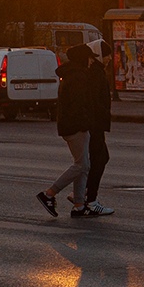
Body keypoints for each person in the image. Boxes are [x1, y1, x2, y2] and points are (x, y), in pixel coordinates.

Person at [37, 42, 99, 218]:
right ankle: (49, 193)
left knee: (83, 166)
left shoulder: (71, 75)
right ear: (82, 59)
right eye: (89, 58)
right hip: (76, 126)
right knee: (81, 165)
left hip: (71, 125)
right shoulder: (79, 77)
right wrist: (86, 123)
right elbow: (80, 105)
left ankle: (79, 205)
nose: (91, 62)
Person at [76, 42, 115, 216]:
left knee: (95, 160)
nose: (109, 59)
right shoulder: (96, 74)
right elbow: (96, 101)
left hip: (94, 124)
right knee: (98, 159)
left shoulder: (95, 72)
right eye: (106, 55)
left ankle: (82, 195)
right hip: (95, 125)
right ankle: (90, 199)